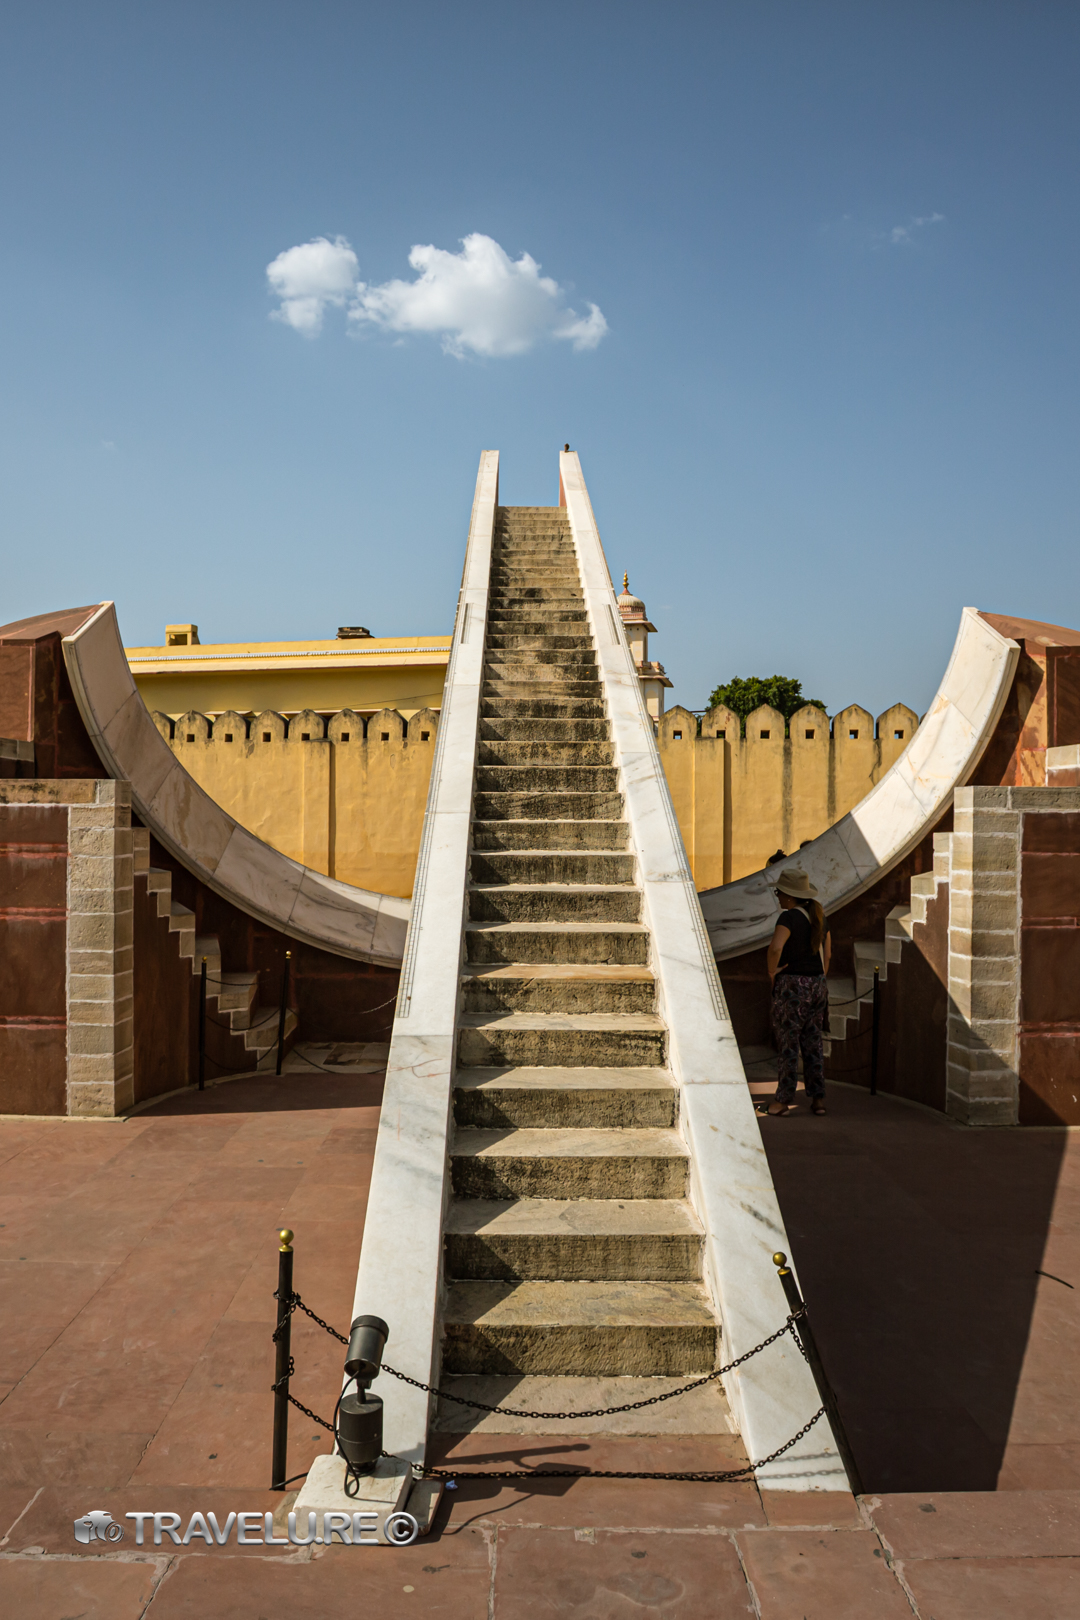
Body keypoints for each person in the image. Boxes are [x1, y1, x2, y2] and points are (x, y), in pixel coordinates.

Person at [764, 869, 831, 1116]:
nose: (778, 896)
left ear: (789, 896)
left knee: (788, 1044)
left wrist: (772, 973)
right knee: (813, 1044)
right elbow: (828, 955)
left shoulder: (788, 918)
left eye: (779, 892)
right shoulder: (819, 917)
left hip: (793, 986)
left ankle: (782, 1101)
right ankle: (818, 1100)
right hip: (818, 985)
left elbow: (775, 948)